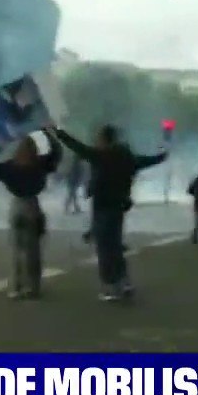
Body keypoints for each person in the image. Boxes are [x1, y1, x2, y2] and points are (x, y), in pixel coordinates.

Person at [55, 124, 167, 300]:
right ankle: (124, 281)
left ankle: (111, 287)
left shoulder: (102, 156)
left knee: (104, 249)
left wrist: (58, 133)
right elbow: (148, 161)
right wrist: (162, 154)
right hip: (118, 207)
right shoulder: (126, 157)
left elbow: (78, 147)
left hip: (102, 207)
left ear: (103, 139)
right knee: (115, 246)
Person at [0, 130, 62, 298]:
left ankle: (15, 287)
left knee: (16, 249)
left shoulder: (9, 166)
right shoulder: (40, 164)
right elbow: (56, 154)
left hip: (16, 206)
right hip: (32, 206)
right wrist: (47, 135)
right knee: (33, 250)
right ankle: (32, 287)